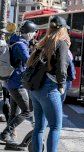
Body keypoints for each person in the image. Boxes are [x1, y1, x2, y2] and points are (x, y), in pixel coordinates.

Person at [27, 15, 70, 152]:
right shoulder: (61, 42)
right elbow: (62, 67)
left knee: (39, 127)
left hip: (35, 89)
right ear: (63, 29)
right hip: (49, 88)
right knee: (56, 127)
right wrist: (62, 85)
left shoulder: (43, 42)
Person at [0, 21, 37, 144]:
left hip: (11, 82)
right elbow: (29, 62)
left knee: (14, 112)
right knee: (27, 111)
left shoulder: (14, 40)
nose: (34, 35)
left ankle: (8, 136)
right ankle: (5, 133)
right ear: (29, 33)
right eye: (33, 33)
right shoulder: (21, 45)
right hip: (17, 83)